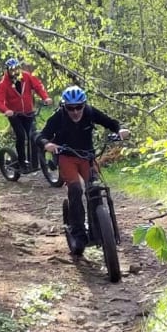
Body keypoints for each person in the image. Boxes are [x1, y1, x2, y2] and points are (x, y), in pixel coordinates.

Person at [37, 85, 129, 257]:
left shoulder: (90, 112)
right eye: (71, 108)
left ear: (84, 105)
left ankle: (102, 227)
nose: (75, 112)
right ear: (65, 107)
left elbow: (110, 122)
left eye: (79, 107)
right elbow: (40, 135)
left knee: (95, 188)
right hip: (67, 157)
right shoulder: (58, 117)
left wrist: (120, 129)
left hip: (87, 157)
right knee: (76, 189)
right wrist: (47, 144)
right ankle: (78, 233)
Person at [0, 57, 52, 171]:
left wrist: (45, 97)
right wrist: (6, 110)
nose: (14, 72)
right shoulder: (4, 83)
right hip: (15, 115)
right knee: (21, 135)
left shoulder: (26, 77)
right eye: (12, 70)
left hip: (29, 113)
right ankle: (21, 162)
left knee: (33, 135)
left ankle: (34, 163)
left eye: (16, 69)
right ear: (7, 70)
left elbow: (38, 86)